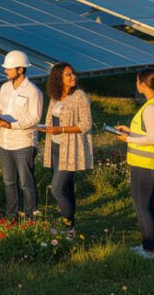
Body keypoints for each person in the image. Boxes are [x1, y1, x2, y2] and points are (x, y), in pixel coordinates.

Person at [115, 69, 154, 260]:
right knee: (151, 204)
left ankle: (149, 250)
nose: (136, 83)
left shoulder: (151, 108)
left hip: (147, 164)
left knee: (141, 205)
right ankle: (151, 246)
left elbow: (152, 137)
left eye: (137, 80)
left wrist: (129, 140)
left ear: (142, 84)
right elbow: (150, 133)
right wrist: (130, 132)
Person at [0, 50, 43, 220]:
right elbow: (0, 108)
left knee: (26, 183)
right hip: (4, 142)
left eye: (9, 68)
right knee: (9, 183)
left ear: (20, 70)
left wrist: (13, 125)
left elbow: (35, 117)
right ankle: (12, 216)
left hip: (23, 143)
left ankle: (30, 218)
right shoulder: (4, 88)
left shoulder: (33, 91)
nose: (5, 71)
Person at [41, 62, 93, 232]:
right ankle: (71, 225)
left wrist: (61, 129)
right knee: (67, 188)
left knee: (56, 189)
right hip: (55, 147)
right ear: (58, 78)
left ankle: (68, 228)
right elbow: (52, 119)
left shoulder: (80, 96)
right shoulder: (55, 96)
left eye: (73, 73)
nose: (73, 77)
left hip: (69, 149)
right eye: (68, 75)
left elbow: (85, 124)